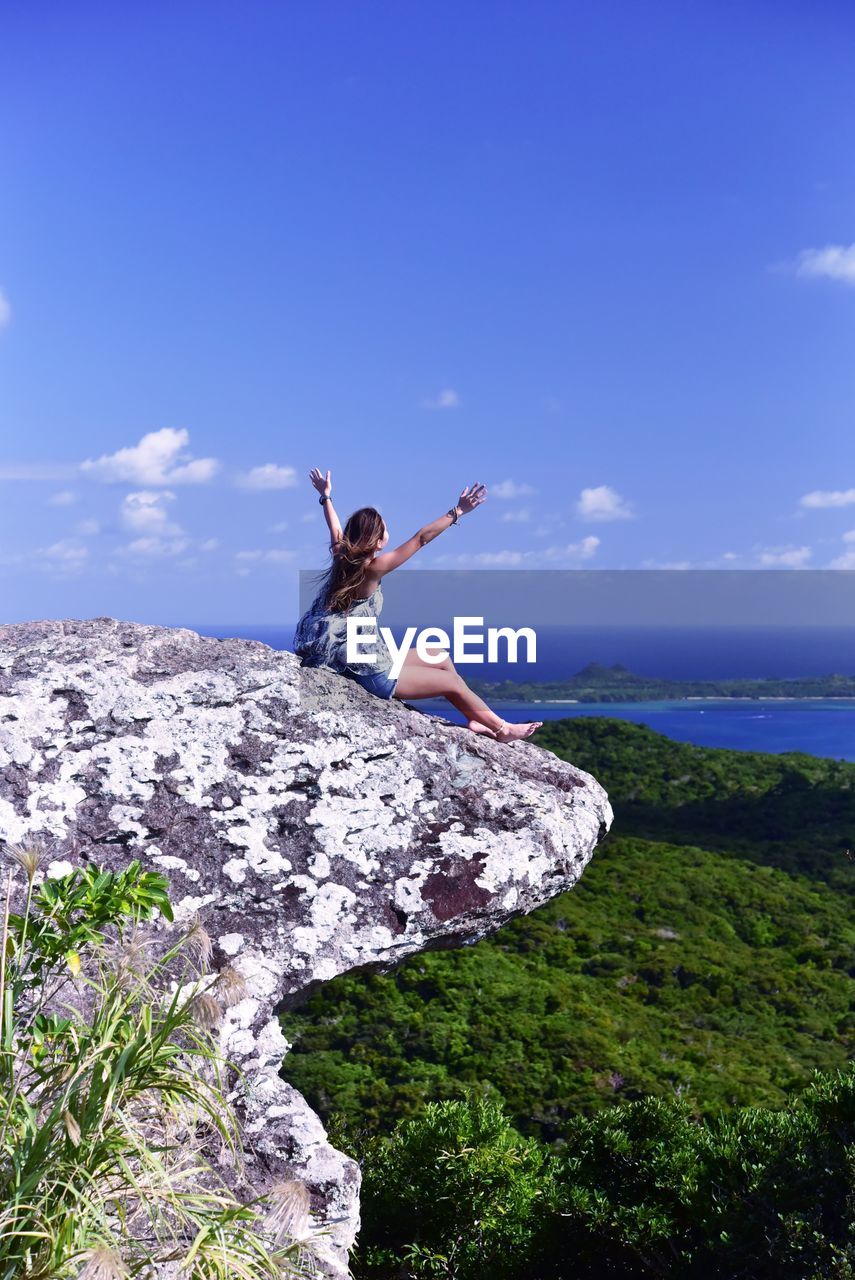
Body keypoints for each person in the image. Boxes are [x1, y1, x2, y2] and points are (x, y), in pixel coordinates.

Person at [294, 468, 542, 742]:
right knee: (451, 683)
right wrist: (457, 512)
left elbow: (335, 528)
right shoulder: (374, 568)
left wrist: (325, 497)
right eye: (386, 529)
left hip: (364, 656)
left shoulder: (343, 557)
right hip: (375, 673)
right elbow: (421, 538)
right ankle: (501, 729)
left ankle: (474, 717)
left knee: (439, 655)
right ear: (378, 540)